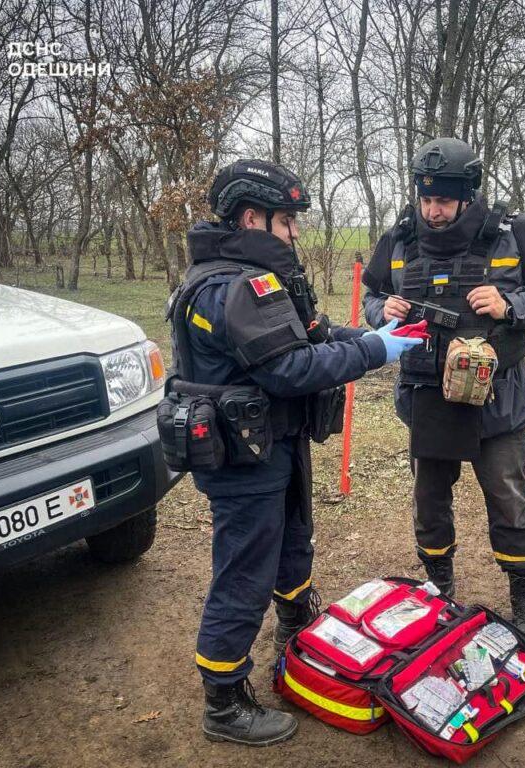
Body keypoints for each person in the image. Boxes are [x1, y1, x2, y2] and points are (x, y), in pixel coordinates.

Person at [164, 159, 421, 746]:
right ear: (251, 219)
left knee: (292, 541)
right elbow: (289, 368)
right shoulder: (234, 286)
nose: (295, 233)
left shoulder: (257, 278)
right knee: (243, 572)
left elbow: (309, 334)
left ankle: (295, 627)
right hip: (243, 457)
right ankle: (224, 703)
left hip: (274, 444)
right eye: (285, 221)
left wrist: (371, 337)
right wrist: (376, 352)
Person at [362, 137, 525, 643]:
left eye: (444, 201)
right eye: (426, 199)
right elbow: (373, 293)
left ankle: (523, 599)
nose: (433, 211)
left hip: (496, 398)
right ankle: (439, 591)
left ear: (467, 195)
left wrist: (511, 305)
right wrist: (380, 313)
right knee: (429, 500)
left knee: (507, 497)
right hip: (426, 395)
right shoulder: (399, 238)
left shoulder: (513, 233)